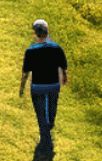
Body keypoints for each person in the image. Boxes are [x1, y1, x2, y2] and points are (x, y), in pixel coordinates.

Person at [19, 19, 68, 147]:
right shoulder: (56, 48)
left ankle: (44, 136)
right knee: (52, 109)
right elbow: (63, 66)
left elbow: (26, 72)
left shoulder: (30, 51)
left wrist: (22, 87)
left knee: (40, 112)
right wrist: (64, 78)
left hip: (37, 86)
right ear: (48, 32)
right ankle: (49, 128)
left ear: (35, 34)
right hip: (53, 85)